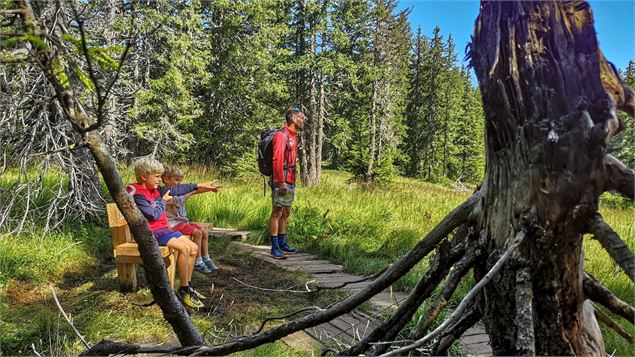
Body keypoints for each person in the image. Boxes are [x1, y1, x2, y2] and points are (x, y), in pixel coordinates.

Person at [126, 157, 215, 309]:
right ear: (143, 176)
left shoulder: (154, 190)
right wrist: (163, 201)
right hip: (151, 233)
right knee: (184, 248)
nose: (159, 180)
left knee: (193, 248)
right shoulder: (137, 193)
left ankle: (187, 286)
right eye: (157, 176)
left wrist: (199, 185)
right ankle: (184, 291)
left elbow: (177, 189)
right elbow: (152, 215)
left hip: (164, 230)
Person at [161, 166, 220, 274]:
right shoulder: (165, 193)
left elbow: (194, 191)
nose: (179, 183)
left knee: (204, 230)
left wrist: (208, 189)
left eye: (180, 180)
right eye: (177, 180)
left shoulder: (177, 191)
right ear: (166, 179)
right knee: (197, 233)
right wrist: (193, 192)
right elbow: (178, 201)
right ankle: (198, 262)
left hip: (182, 222)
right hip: (172, 224)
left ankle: (206, 258)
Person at [268, 107, 305, 259]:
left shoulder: (294, 136)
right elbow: (276, 159)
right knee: (277, 212)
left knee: (286, 212)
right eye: (302, 118)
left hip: (290, 179)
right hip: (281, 180)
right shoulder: (281, 135)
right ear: (294, 119)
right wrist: (280, 181)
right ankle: (274, 247)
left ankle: (283, 243)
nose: (304, 121)